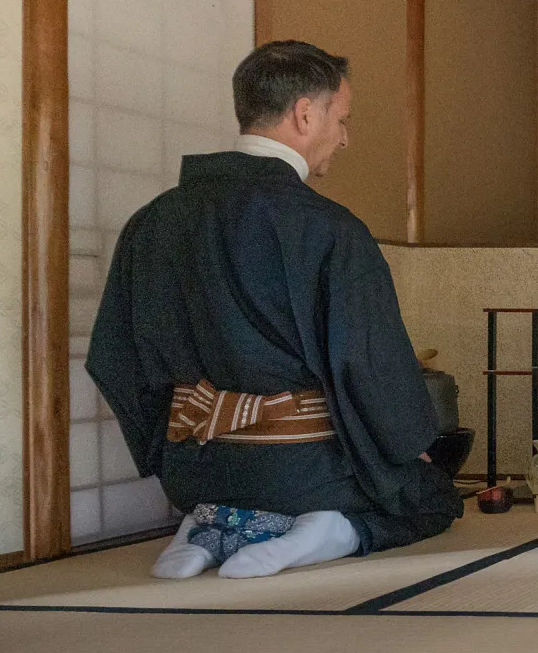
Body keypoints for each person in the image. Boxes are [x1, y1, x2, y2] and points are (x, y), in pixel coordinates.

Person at [87, 40, 462, 580]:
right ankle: (329, 530)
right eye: (342, 118)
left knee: (240, 485)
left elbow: (113, 359)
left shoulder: (152, 221)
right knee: (430, 496)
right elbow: (367, 365)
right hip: (301, 472)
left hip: (194, 467)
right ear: (306, 113)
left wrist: (174, 442)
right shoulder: (329, 228)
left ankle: (206, 527)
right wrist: (408, 448)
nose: (345, 137)